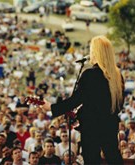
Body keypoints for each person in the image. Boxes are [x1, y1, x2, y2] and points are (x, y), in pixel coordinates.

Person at [42, 35, 124, 164]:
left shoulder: (90, 75)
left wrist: (52, 108)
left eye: (91, 49)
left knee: (92, 159)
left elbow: (76, 100)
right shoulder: (117, 76)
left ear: (96, 52)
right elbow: (119, 105)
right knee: (113, 156)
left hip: (91, 127)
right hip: (109, 126)